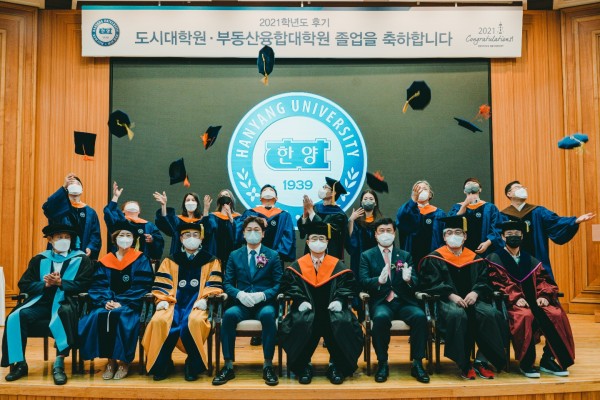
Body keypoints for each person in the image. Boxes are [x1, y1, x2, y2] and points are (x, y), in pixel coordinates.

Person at [1, 224, 93, 385]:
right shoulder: (40, 259)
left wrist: (61, 283)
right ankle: (20, 364)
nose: (64, 240)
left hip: (67, 302)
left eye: (67, 237)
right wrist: (45, 284)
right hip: (41, 303)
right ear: (50, 240)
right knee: (16, 316)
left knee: (63, 313)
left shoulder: (81, 259)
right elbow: (24, 284)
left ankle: (59, 365)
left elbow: (85, 285)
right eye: (59, 237)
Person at [419, 216, 507, 380]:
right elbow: (430, 283)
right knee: (457, 315)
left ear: (465, 236)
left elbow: (484, 280)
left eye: (458, 232)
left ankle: (481, 361)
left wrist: (475, 292)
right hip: (446, 301)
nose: (454, 235)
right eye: (449, 232)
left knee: (491, 314)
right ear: (444, 237)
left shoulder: (475, 258)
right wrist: (451, 295)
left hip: (473, 300)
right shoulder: (434, 258)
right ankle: (464, 363)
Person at [487, 221, 575, 378]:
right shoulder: (495, 258)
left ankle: (548, 359)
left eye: (517, 234)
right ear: (502, 237)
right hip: (510, 304)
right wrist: (515, 297)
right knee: (525, 316)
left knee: (556, 314)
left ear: (522, 236)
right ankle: (526, 362)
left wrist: (544, 296)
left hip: (534, 301)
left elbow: (544, 280)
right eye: (509, 234)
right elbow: (497, 283)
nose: (513, 237)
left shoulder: (531, 260)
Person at [280, 222, 363, 385]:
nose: (318, 242)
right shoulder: (297, 266)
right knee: (301, 323)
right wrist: (300, 300)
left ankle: (336, 366)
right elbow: (290, 286)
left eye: (321, 239)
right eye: (314, 238)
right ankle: (304, 366)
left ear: (327, 242)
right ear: (308, 242)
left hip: (333, 310)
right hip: (306, 310)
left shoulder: (338, 265)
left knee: (341, 322)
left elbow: (347, 286)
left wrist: (339, 300)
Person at [142, 223, 223, 381]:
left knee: (193, 321)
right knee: (159, 321)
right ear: (180, 239)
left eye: (195, 235)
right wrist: (162, 299)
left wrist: (206, 299)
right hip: (173, 303)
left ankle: (193, 364)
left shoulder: (211, 260)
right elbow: (161, 283)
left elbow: (214, 284)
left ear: (201, 238)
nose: (191, 238)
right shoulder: (170, 260)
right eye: (187, 235)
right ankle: (163, 363)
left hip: (198, 304)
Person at [78, 221, 154, 380]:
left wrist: (121, 302)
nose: (125, 238)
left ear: (134, 239)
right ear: (115, 238)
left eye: (128, 235)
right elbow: (98, 284)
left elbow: (142, 286)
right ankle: (110, 361)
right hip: (107, 303)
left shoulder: (141, 259)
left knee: (122, 317)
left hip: (131, 304)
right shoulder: (105, 260)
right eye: (121, 235)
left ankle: (124, 362)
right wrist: (106, 301)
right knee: (98, 316)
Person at [213, 216, 283, 386]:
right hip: (241, 304)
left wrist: (263, 295)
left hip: (264, 303)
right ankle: (228, 366)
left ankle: (268, 365)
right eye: (249, 230)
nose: (253, 233)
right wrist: (239, 294)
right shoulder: (234, 255)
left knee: (268, 316)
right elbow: (227, 283)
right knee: (228, 316)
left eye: (256, 230)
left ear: (263, 234)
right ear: (243, 234)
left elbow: (279, 284)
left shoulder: (272, 255)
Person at [358, 218, 430, 383]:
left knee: (420, 317)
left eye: (389, 230)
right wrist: (378, 281)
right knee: (380, 318)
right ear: (375, 235)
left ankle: (417, 363)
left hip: (404, 302)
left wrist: (409, 279)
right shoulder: (367, 256)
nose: (385, 234)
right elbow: (363, 281)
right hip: (381, 302)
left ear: (394, 233)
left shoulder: (404, 255)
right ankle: (382, 362)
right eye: (381, 231)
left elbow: (416, 282)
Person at [501, 181, 595, 279]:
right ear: (509, 194)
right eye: (517, 187)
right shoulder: (503, 215)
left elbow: (556, 222)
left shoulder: (538, 211)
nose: (522, 189)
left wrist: (575, 221)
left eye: (523, 187)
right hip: (511, 262)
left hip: (536, 260)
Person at [42, 173, 101, 260]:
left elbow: (95, 235)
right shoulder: (59, 209)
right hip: (60, 253)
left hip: (81, 254)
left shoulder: (90, 212)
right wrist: (63, 187)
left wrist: (90, 247)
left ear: (82, 189)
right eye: (71, 184)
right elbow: (47, 207)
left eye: (77, 184)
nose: (74, 185)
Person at [104, 181, 164, 260]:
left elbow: (159, 240)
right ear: (123, 211)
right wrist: (115, 197)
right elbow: (109, 212)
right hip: (120, 259)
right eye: (129, 204)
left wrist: (152, 239)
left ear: (139, 211)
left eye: (135, 204)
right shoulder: (118, 222)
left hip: (141, 261)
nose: (132, 205)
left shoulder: (148, 225)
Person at [236, 184, 296, 263]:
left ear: (276, 198)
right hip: (253, 255)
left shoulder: (284, 215)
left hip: (276, 258)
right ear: (260, 198)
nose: (268, 191)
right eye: (264, 190)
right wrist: (255, 220)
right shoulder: (250, 213)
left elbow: (288, 236)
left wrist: (276, 255)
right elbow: (241, 231)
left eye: (271, 190)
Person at [448, 178, 503, 257]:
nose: (471, 184)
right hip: (462, 249)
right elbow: (451, 224)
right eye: (468, 184)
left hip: (485, 248)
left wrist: (488, 243)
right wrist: (464, 206)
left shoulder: (490, 207)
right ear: (464, 191)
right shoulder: (457, 207)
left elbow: (497, 227)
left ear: (480, 189)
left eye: (474, 183)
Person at [395, 180, 445, 266]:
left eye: (425, 189)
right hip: (411, 258)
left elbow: (443, 238)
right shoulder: (408, 211)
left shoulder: (439, 214)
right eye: (418, 189)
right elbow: (401, 219)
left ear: (430, 194)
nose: (421, 191)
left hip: (433, 260)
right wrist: (412, 201)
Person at [298, 177, 349, 260]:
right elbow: (303, 232)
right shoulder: (315, 208)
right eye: (323, 187)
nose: (322, 189)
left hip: (329, 252)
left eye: (325, 187)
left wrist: (311, 212)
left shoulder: (339, 215)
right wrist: (305, 214)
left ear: (333, 193)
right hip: (311, 251)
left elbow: (324, 230)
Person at [153, 191, 206, 256]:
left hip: (198, 254)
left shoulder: (203, 221)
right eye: (188, 200)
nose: (190, 202)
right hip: (178, 253)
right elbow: (167, 224)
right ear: (184, 204)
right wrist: (163, 205)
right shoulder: (178, 220)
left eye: (193, 200)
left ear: (197, 203)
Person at [202, 189, 242, 268]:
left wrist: (230, 217)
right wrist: (206, 209)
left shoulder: (238, 218)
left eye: (226, 194)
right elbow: (205, 231)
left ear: (231, 198)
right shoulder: (213, 216)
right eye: (221, 195)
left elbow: (239, 235)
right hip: (215, 253)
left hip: (233, 253)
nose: (224, 197)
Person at [347, 189, 383, 277]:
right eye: (365, 199)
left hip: (376, 260)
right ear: (361, 202)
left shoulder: (380, 222)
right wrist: (351, 220)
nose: (368, 201)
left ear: (375, 203)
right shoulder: (356, 221)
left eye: (371, 199)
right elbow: (351, 243)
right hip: (359, 260)